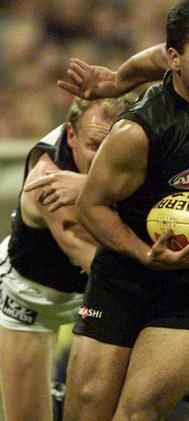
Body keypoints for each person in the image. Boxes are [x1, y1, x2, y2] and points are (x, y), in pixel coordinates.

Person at [60, 1, 189, 420]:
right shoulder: (138, 132)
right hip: (124, 277)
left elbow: (151, 57)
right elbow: (91, 207)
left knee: (137, 411)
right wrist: (144, 254)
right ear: (176, 60)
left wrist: (117, 79)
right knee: (85, 412)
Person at [0, 93, 137, 421]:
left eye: (111, 149)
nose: (104, 159)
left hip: (91, 296)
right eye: (93, 147)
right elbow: (105, 271)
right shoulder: (48, 182)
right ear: (71, 136)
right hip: (31, 302)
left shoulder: (137, 150)